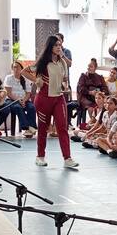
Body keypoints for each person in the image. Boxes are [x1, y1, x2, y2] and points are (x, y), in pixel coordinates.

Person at [22, 35, 78, 168]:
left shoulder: (62, 62)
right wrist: (36, 80)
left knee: (62, 128)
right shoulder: (43, 62)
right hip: (43, 100)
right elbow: (25, 71)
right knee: (43, 129)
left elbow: (63, 79)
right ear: (50, 47)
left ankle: (67, 158)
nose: (59, 47)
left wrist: (64, 86)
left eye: (60, 45)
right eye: (56, 45)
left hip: (58, 99)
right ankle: (40, 156)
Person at [5, 61, 38, 137]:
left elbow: (28, 93)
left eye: (18, 67)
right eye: (14, 67)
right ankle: (28, 128)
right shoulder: (8, 78)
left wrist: (24, 100)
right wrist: (18, 100)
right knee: (18, 107)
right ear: (12, 69)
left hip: (24, 100)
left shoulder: (25, 79)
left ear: (21, 69)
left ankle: (30, 129)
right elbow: (9, 93)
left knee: (31, 107)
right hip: (12, 100)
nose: (16, 69)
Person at [76, 58, 109, 129]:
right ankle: (94, 124)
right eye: (88, 66)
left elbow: (105, 88)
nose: (89, 68)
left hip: (97, 97)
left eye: (91, 66)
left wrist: (101, 92)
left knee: (102, 104)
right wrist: (90, 92)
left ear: (95, 68)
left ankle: (101, 124)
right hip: (85, 97)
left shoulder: (100, 77)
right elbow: (80, 88)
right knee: (91, 108)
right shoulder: (83, 76)